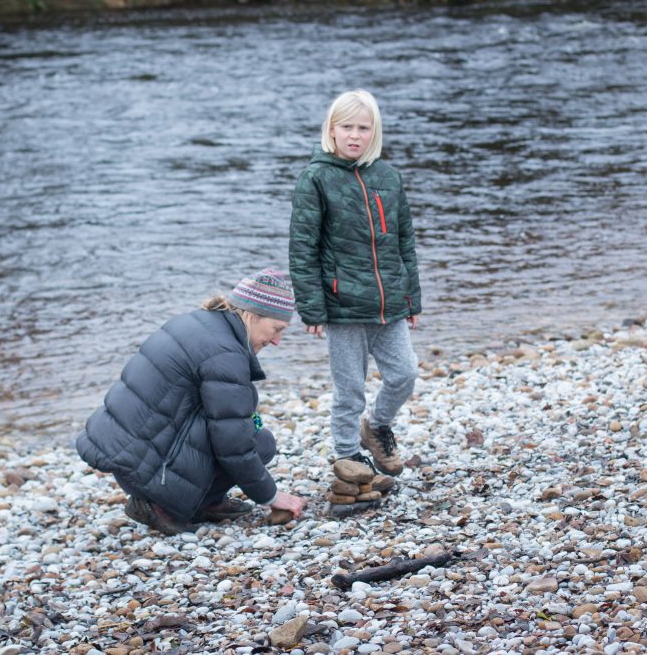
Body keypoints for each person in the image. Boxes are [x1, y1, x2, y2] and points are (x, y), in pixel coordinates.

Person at [76, 269, 306, 535]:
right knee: (260, 442)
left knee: (241, 426)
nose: (277, 340)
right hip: (145, 473)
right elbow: (234, 445)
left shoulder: (201, 322)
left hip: (128, 457)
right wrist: (271, 496)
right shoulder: (225, 353)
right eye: (276, 329)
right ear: (251, 315)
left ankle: (202, 502)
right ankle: (161, 505)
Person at [289, 89, 422, 478]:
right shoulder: (315, 179)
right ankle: (347, 456)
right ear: (331, 130)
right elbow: (303, 247)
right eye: (346, 127)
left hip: (389, 305)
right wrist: (311, 307)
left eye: (363, 128)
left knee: (405, 374)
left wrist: (410, 297)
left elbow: (405, 241)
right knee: (349, 389)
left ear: (374, 132)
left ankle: (377, 426)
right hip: (342, 305)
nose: (354, 135)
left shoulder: (388, 177)